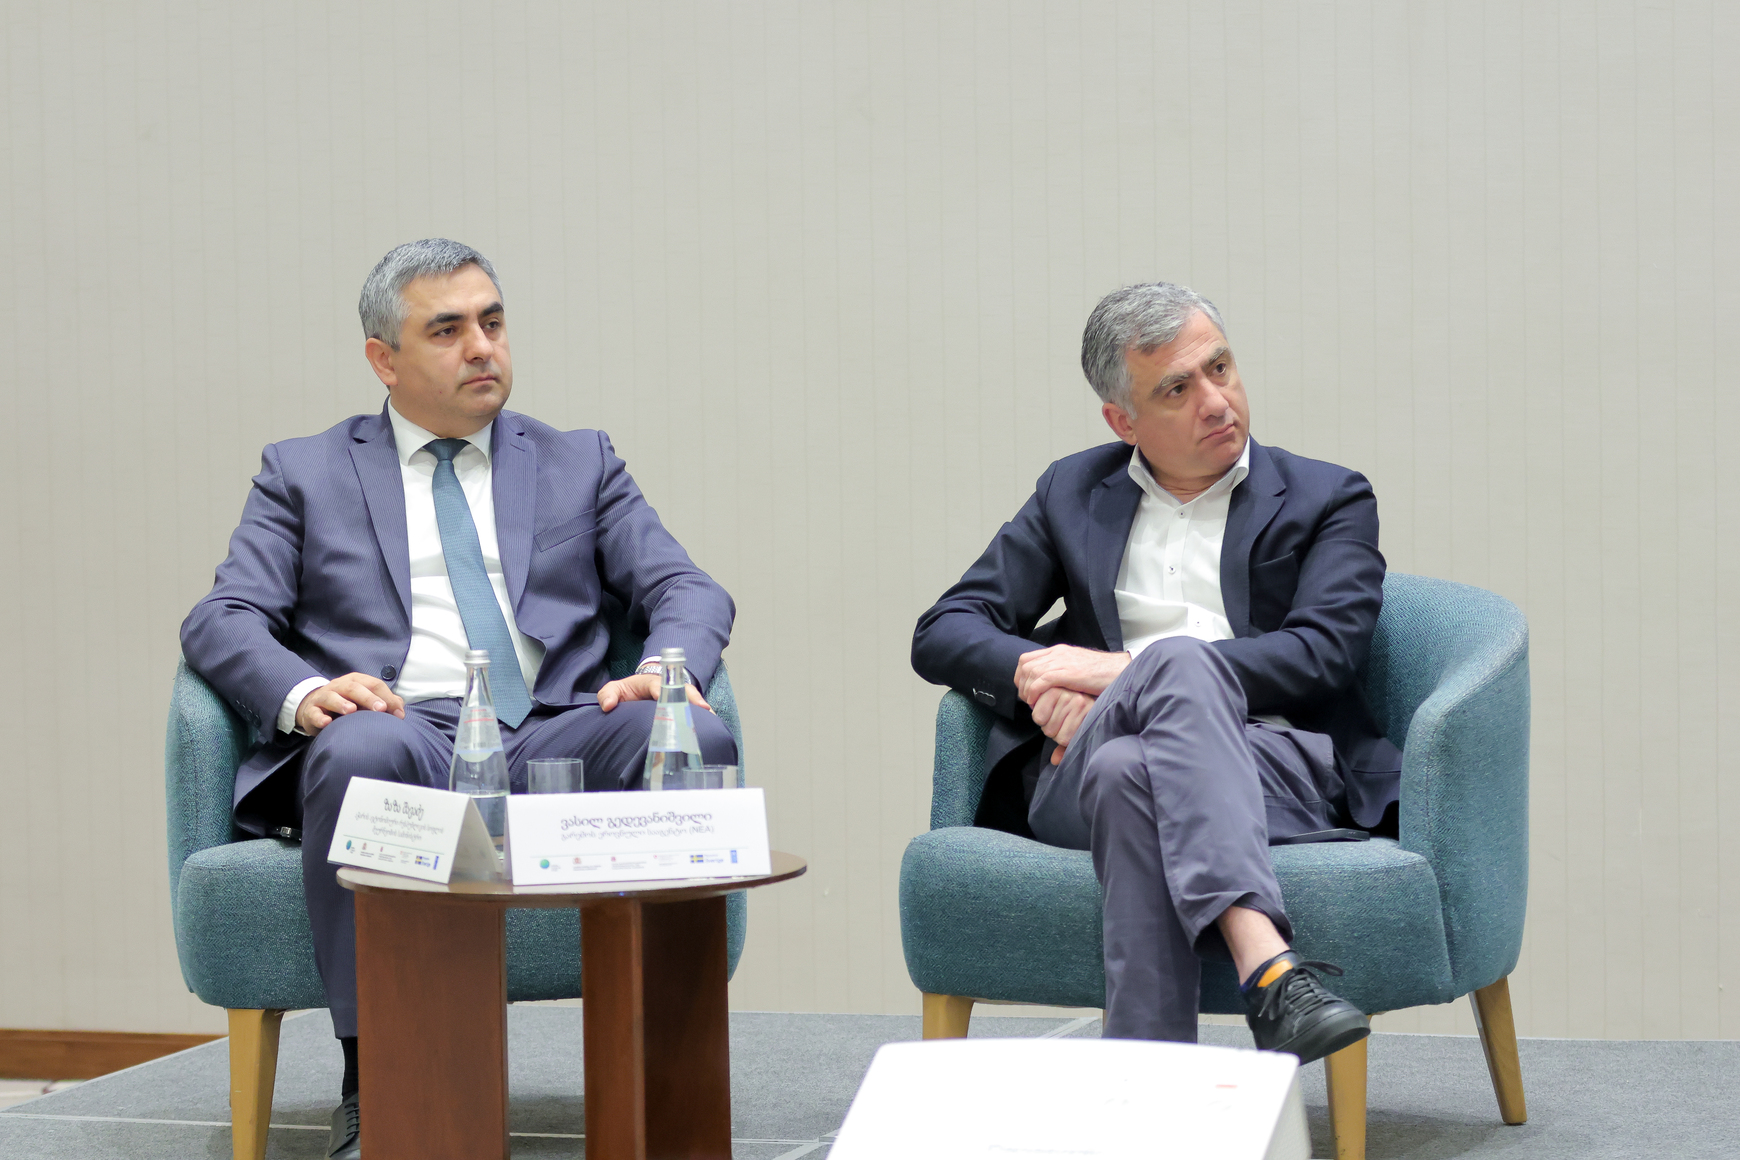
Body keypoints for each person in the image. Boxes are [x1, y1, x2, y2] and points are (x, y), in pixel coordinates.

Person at [181, 239, 736, 1159]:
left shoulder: (578, 460)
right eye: (447, 330)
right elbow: (224, 615)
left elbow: (685, 585)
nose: (482, 347)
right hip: (406, 727)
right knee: (360, 751)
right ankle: (380, 1080)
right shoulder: (305, 472)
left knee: (692, 742)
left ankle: (669, 1083)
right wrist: (306, 691)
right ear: (384, 359)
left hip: (559, 728)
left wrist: (665, 668)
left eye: (493, 321)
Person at [912, 282, 1401, 1061]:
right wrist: (1043, 678)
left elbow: (1324, 652)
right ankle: (1270, 967)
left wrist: (1115, 675)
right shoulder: (1073, 493)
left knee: (1132, 765)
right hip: (1071, 767)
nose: (1216, 401)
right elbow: (944, 629)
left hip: (1273, 765)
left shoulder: (1326, 497)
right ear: (1123, 421)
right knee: (1149, 703)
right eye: (1177, 388)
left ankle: (1147, 1087)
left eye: (1220, 367)